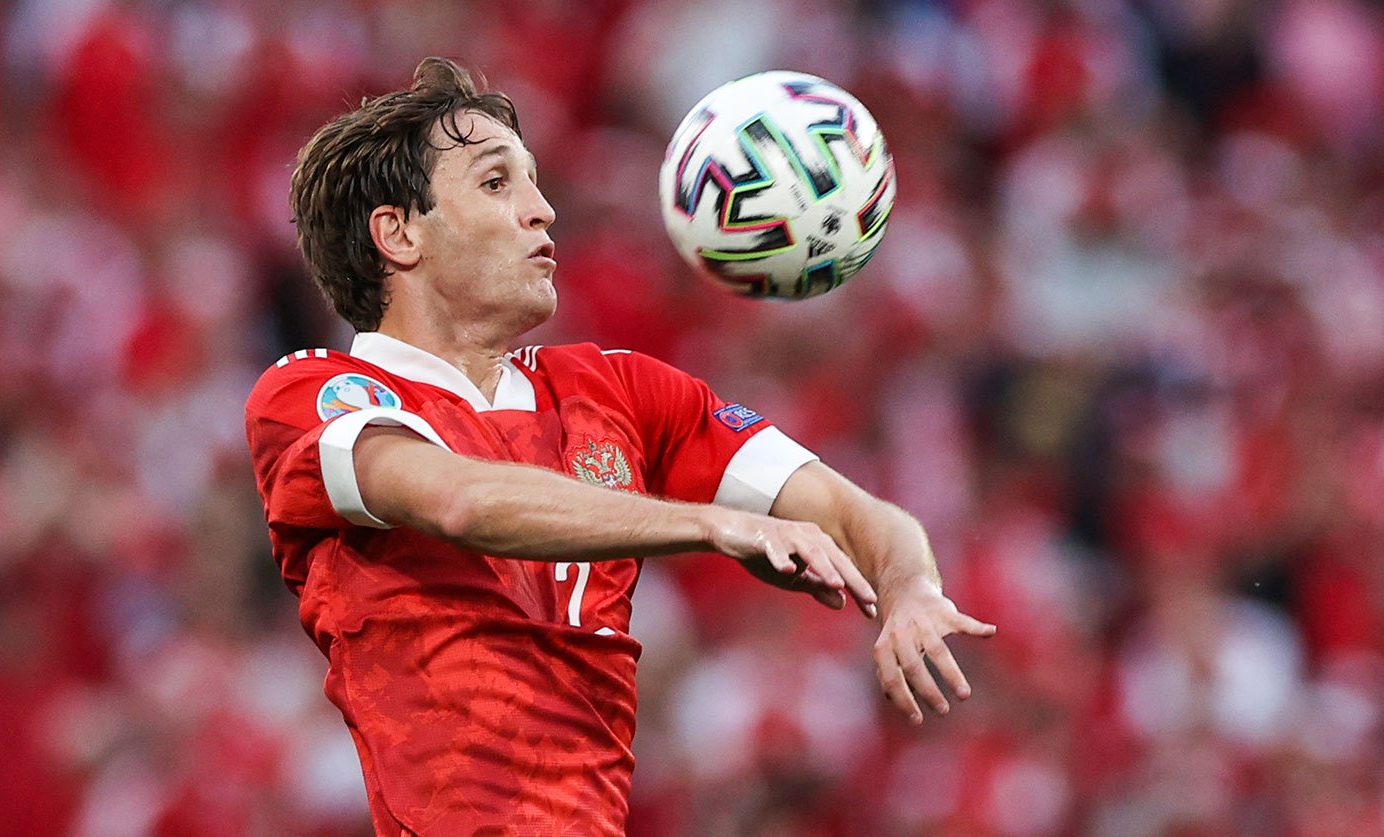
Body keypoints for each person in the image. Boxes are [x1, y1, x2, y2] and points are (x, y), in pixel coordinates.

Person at [244, 57, 995, 836]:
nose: (542, 211)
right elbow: (457, 499)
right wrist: (708, 523)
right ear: (398, 233)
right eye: (497, 183)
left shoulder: (617, 390)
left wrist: (909, 586)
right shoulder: (314, 396)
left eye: (535, 181)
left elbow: (850, 510)